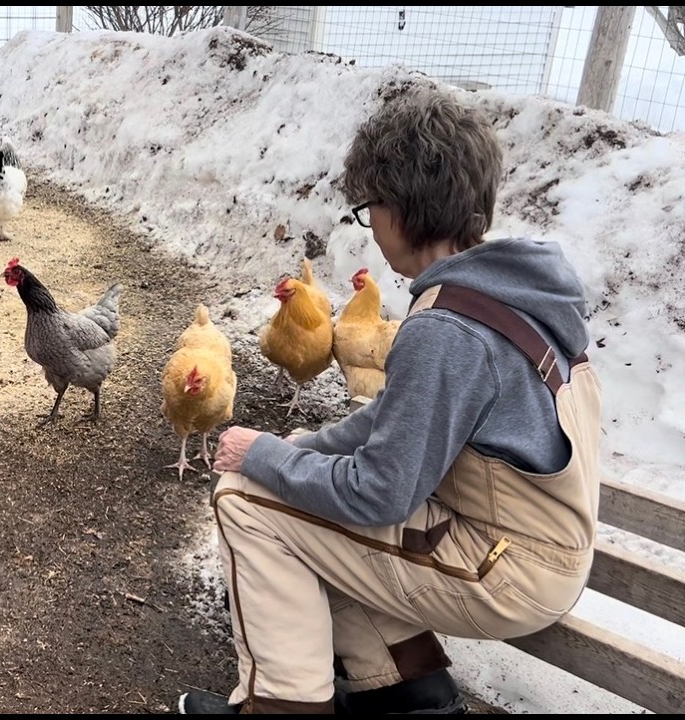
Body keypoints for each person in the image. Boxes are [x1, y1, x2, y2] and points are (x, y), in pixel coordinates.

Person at [180, 84, 602, 714]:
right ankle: (409, 693)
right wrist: (303, 449)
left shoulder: (446, 329)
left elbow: (378, 492)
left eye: (369, 207)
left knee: (247, 500)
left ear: (401, 208)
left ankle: (282, 704)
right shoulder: (512, 291)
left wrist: (266, 458)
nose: (369, 224)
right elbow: (399, 415)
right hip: (532, 542)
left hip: (511, 569)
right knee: (302, 487)